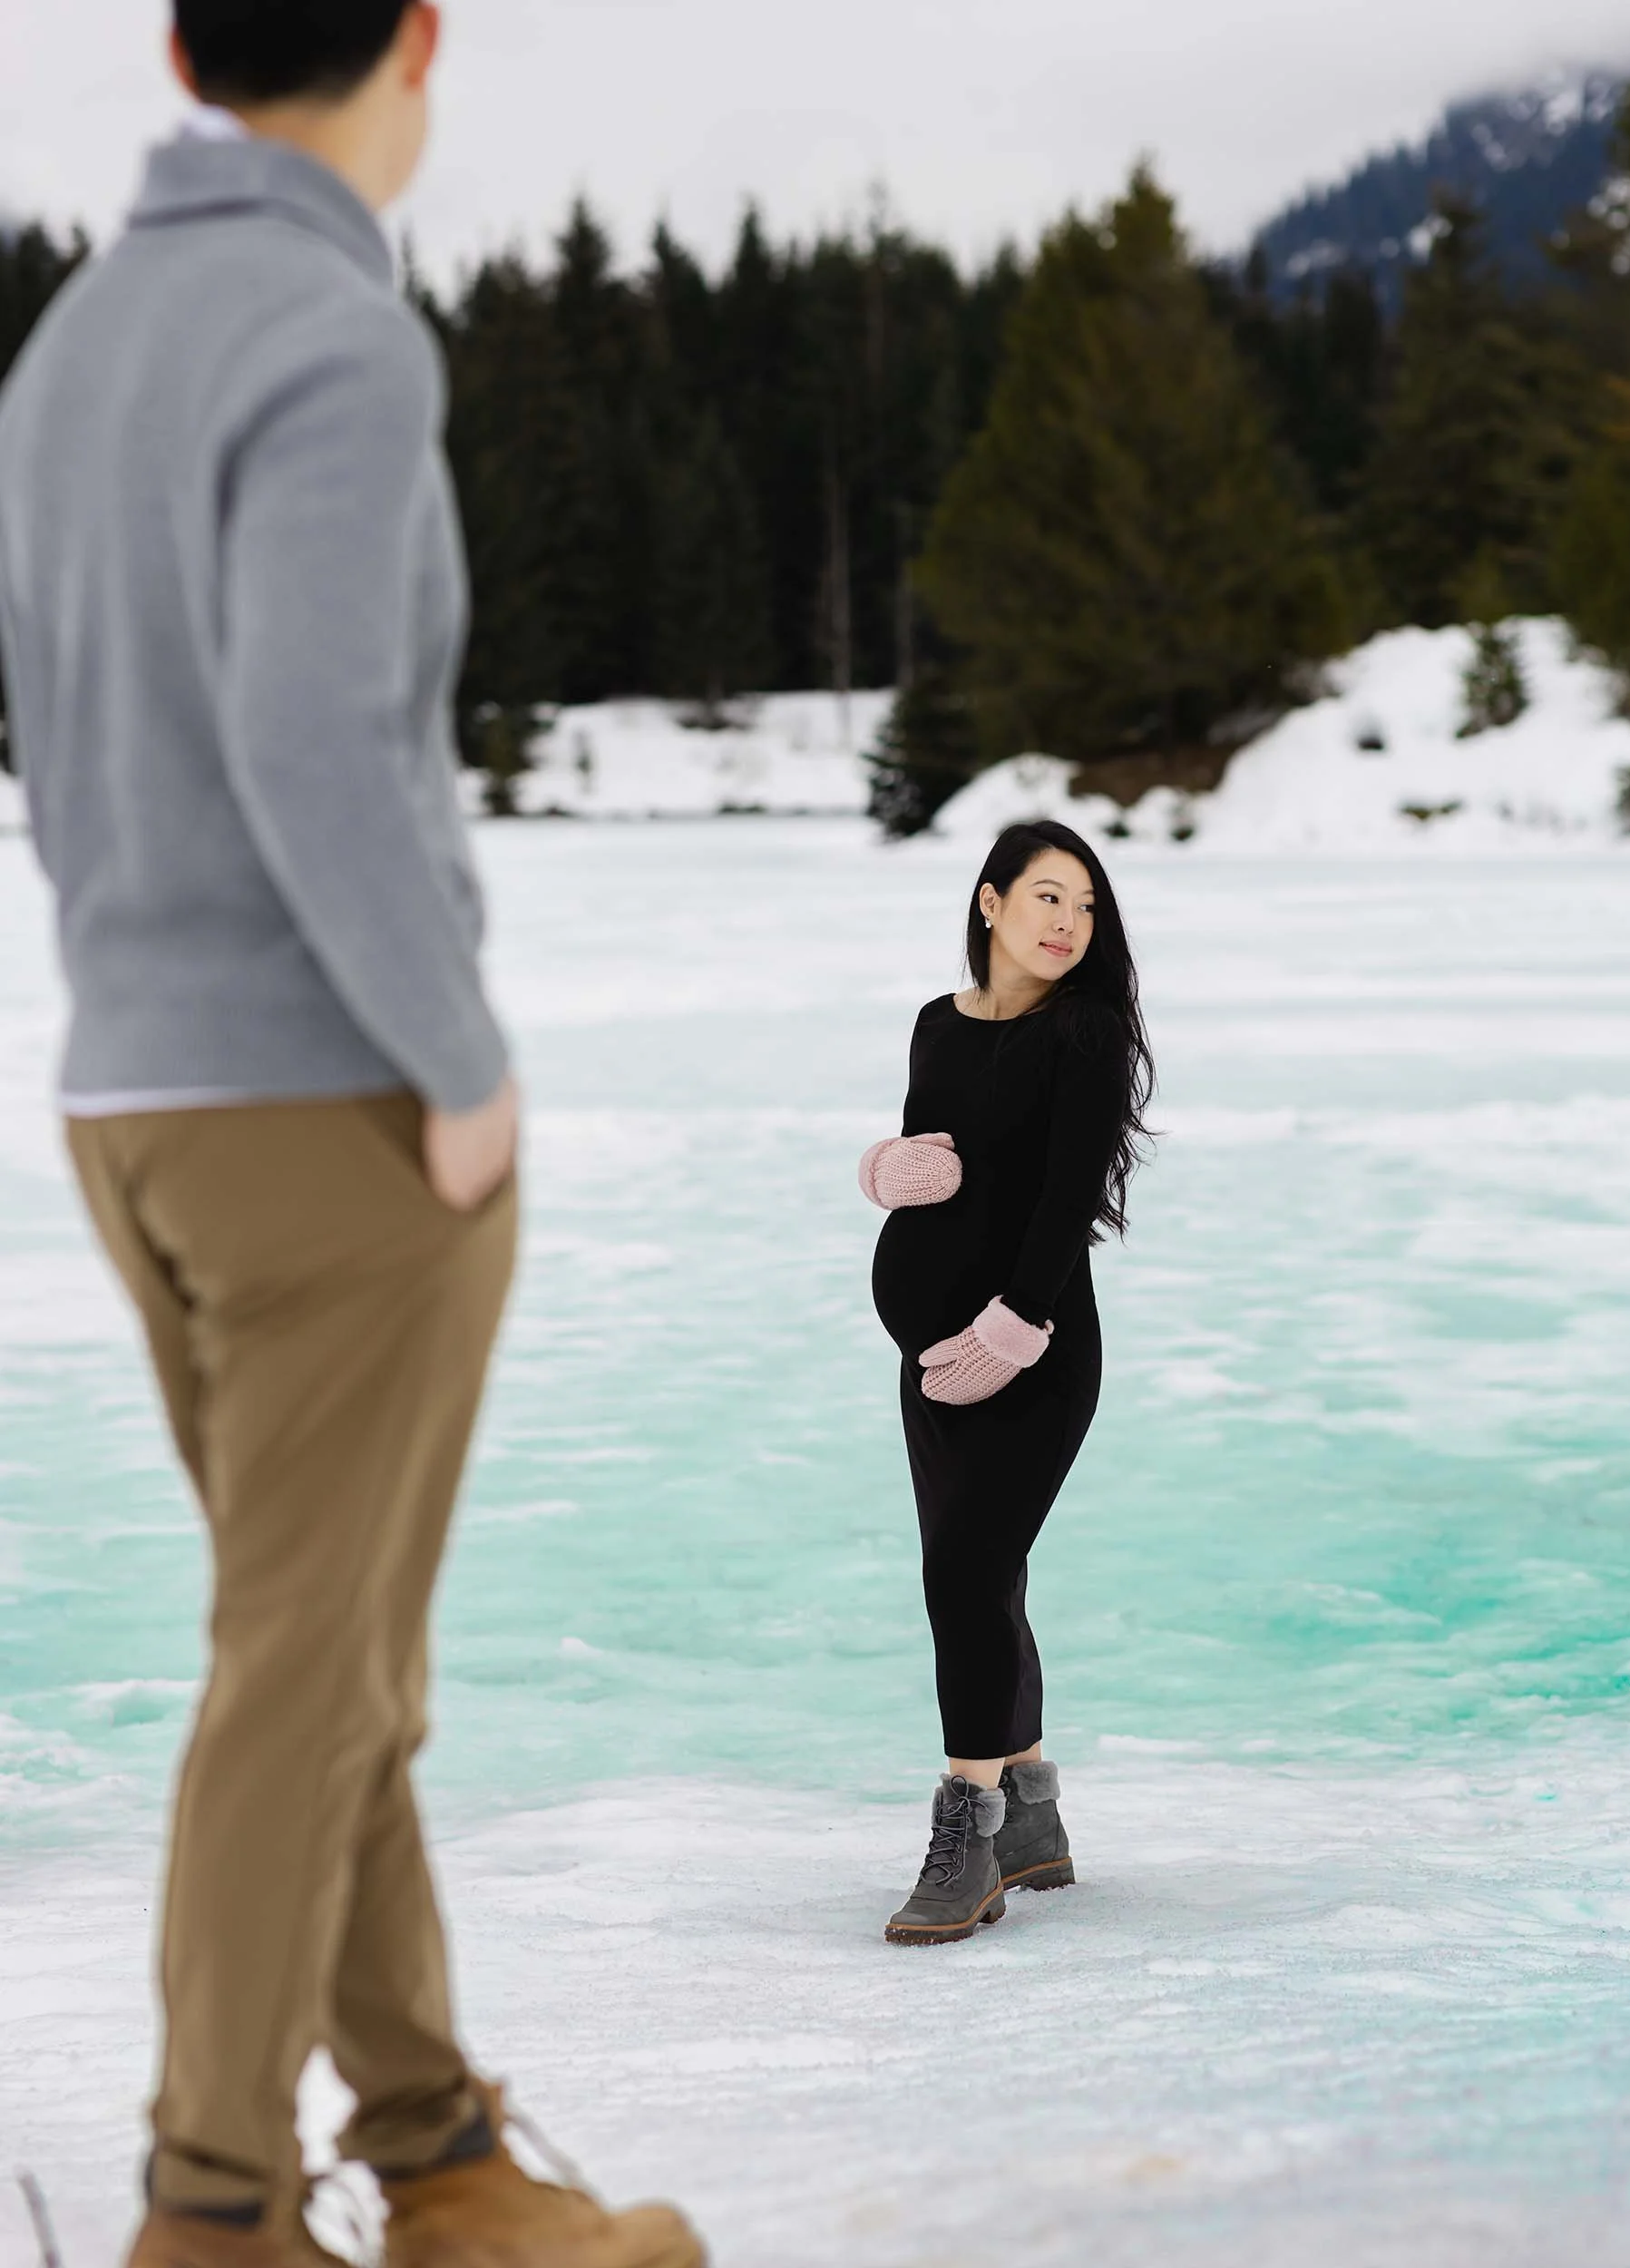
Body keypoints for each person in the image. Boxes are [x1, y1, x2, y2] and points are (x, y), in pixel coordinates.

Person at [0, 6, 702, 2265]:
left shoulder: (71, 351)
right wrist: (457, 1063)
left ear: (191, 51)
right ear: (417, 43)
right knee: (307, 1667)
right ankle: (212, 2209)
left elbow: (65, 733)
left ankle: (439, 2160)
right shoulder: (327, 333)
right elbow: (316, 744)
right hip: (327, 1102)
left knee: (327, 1647)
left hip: (137, 1093)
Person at [859, 821, 1156, 1947]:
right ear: (989, 904)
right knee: (979, 1575)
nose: (1065, 922)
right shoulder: (940, 1023)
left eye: (1083, 905)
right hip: (930, 1365)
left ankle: (967, 1829)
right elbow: (932, 1156)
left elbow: (1063, 1201)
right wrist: (885, 1170)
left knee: (967, 1573)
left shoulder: (1085, 1034)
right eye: (1044, 896)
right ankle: (1032, 1816)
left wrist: (1018, 1323)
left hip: (1031, 1356)